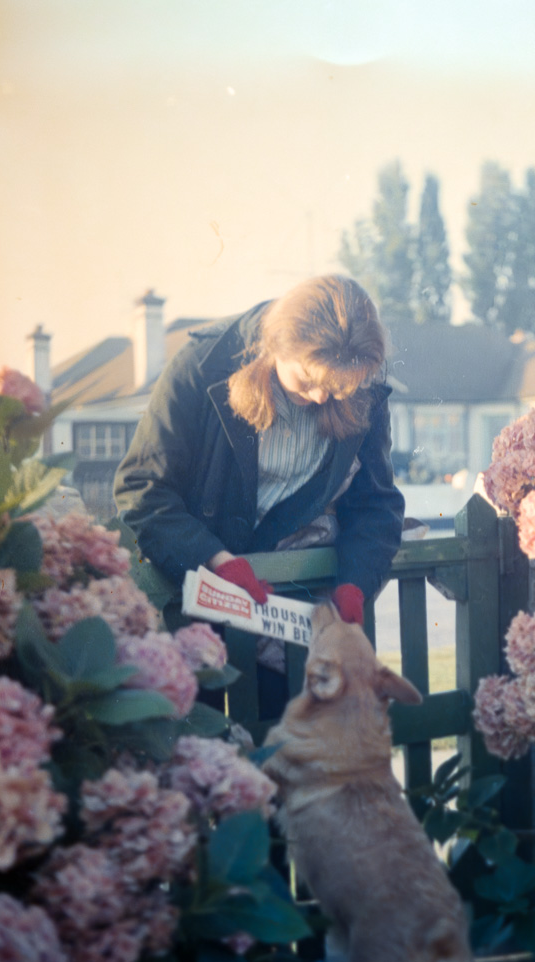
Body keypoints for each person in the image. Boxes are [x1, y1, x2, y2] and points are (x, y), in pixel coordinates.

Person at [114, 275, 405, 711]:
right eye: (307, 380)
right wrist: (215, 559)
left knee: (283, 754)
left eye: (339, 389)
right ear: (276, 348)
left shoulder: (362, 385)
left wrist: (355, 585)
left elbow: (376, 505)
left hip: (290, 613)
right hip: (193, 603)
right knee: (201, 754)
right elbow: (142, 488)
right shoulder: (201, 363)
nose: (323, 395)